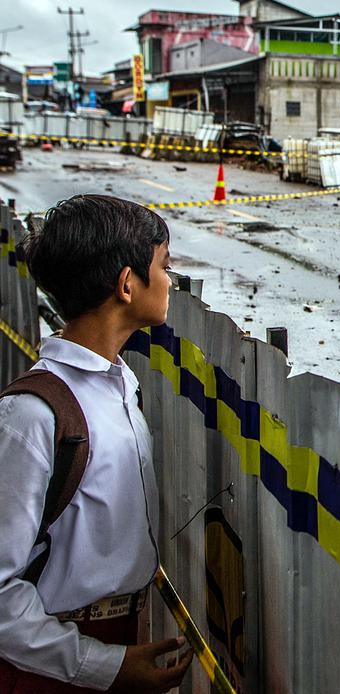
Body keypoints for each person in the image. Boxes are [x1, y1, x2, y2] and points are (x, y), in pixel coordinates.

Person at [0, 195, 192, 692]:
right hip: (46, 664)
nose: (171, 281)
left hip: (109, 640)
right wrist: (105, 665)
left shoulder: (120, 385)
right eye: (163, 266)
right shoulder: (33, 415)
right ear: (127, 284)